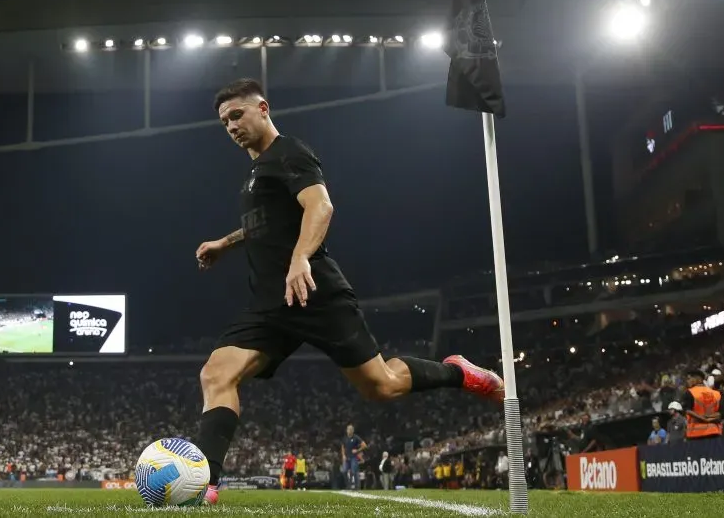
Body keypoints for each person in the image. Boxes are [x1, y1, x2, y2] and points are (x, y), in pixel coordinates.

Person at [193, 78, 504, 505]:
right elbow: (266, 222)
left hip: (315, 292)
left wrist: (302, 257)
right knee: (216, 373)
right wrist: (224, 244)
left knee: (382, 386)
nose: (230, 126)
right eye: (224, 121)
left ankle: (461, 373)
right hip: (270, 303)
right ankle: (205, 483)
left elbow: (320, 206)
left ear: (262, 108)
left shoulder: (290, 153)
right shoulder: (255, 172)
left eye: (237, 115)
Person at [341, 424, 366, 489]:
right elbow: (343, 447)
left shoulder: (356, 437)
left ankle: (357, 487)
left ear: (353, 431)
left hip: (353, 457)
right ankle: (348, 486)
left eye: (350, 429)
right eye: (348, 429)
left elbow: (364, 445)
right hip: (346, 457)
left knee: (354, 471)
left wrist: (357, 450)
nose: (349, 431)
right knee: (344, 471)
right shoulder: (345, 438)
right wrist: (343, 455)